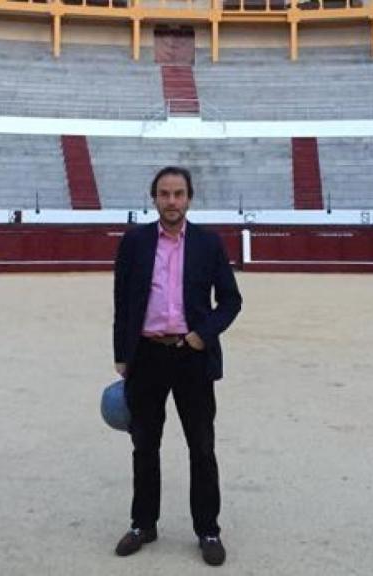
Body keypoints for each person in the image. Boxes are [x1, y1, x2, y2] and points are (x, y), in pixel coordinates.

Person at [111, 166, 242, 566]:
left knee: (201, 446)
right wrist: (122, 355)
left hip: (192, 354)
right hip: (147, 355)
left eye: (179, 193)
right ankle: (143, 524)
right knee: (144, 445)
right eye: (164, 194)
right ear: (154, 199)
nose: (172, 201)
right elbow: (123, 302)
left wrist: (204, 334)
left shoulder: (208, 243)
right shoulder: (134, 242)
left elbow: (231, 301)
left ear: (189, 198)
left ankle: (208, 529)